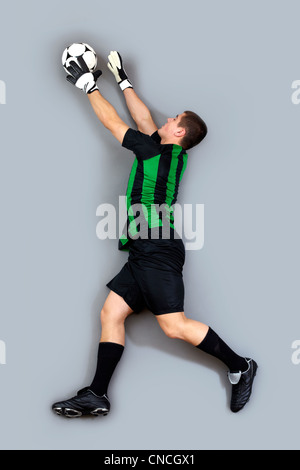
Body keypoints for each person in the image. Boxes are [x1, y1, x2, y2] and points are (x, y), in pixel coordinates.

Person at [52, 50, 257, 418]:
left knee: (174, 327)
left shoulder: (154, 152)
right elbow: (144, 118)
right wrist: (123, 79)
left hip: (157, 248)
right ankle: (97, 394)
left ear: (179, 132)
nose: (167, 117)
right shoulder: (167, 153)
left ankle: (241, 366)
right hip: (146, 249)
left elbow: (114, 123)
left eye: (175, 118)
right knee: (111, 312)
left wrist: (89, 87)